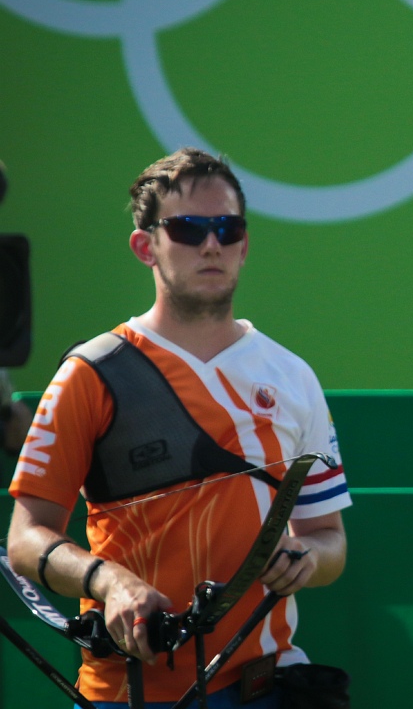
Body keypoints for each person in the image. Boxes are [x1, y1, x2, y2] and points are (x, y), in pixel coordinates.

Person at [7, 148, 350, 709]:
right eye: (188, 229)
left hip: (269, 686)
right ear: (146, 247)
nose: (212, 244)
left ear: (244, 243)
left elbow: (329, 538)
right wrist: (108, 582)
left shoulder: (292, 375)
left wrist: (306, 559)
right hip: (130, 693)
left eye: (227, 227)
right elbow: (26, 539)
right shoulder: (91, 373)